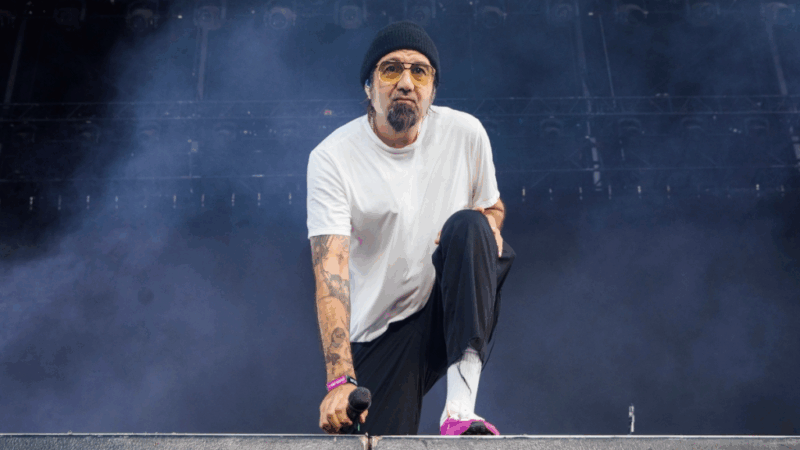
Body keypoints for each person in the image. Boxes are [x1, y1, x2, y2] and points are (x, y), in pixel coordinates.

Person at [307, 20, 515, 436]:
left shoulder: (465, 133)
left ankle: (459, 410)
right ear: (368, 86)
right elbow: (331, 270)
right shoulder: (332, 157)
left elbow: (492, 205)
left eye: (419, 72)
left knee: (471, 226)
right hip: (382, 330)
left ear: (433, 88)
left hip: (444, 305)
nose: (406, 82)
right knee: (370, 440)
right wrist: (339, 380)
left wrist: (488, 225)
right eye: (391, 70)